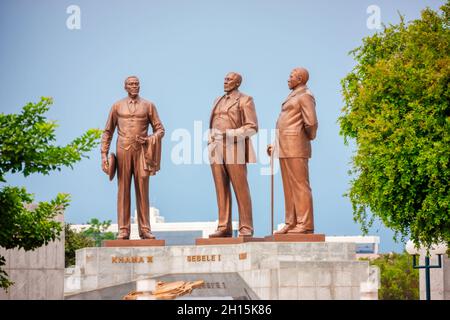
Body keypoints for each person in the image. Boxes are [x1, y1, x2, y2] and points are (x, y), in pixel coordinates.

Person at [101, 76, 165, 240]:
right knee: (123, 190)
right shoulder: (117, 106)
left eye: (137, 84)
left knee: (143, 189)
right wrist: (104, 155)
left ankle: (145, 229)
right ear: (125, 87)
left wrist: (150, 138)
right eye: (131, 84)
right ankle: (123, 229)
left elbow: (160, 129)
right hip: (122, 149)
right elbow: (108, 131)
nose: (134, 86)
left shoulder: (148, 105)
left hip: (141, 152)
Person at [267, 67, 318, 234]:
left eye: (291, 77)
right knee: (288, 186)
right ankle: (291, 222)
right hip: (285, 145)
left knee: (300, 185)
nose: (288, 79)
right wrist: (276, 144)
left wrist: (303, 139)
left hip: (296, 146)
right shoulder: (293, 95)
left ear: (300, 79)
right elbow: (286, 122)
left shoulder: (305, 96)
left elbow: (311, 123)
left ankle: (305, 223)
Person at [208, 72, 258, 238]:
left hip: (235, 147)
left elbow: (252, 127)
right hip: (216, 148)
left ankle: (246, 226)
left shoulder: (245, 100)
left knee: (240, 187)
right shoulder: (217, 100)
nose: (225, 81)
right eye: (225, 79)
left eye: (229, 79)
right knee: (220, 188)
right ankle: (224, 226)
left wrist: (228, 134)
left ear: (237, 83)